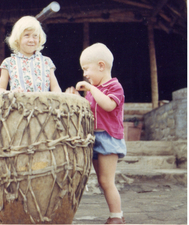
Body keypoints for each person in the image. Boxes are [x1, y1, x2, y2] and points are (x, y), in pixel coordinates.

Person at [67, 43, 126, 224]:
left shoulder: (115, 87)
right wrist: (76, 98)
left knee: (107, 181)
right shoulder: (94, 91)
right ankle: (114, 214)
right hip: (94, 139)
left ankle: (117, 216)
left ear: (101, 66)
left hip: (108, 138)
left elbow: (108, 105)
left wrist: (92, 89)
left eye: (86, 69)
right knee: (101, 181)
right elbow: (88, 110)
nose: (84, 73)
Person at [0, 16, 61, 93]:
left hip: (43, 105)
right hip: (18, 105)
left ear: (40, 38)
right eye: (26, 35)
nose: (31, 40)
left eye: (35, 36)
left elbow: (56, 89)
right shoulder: (8, 63)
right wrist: (11, 93)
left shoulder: (47, 62)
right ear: (17, 38)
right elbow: (0, 90)